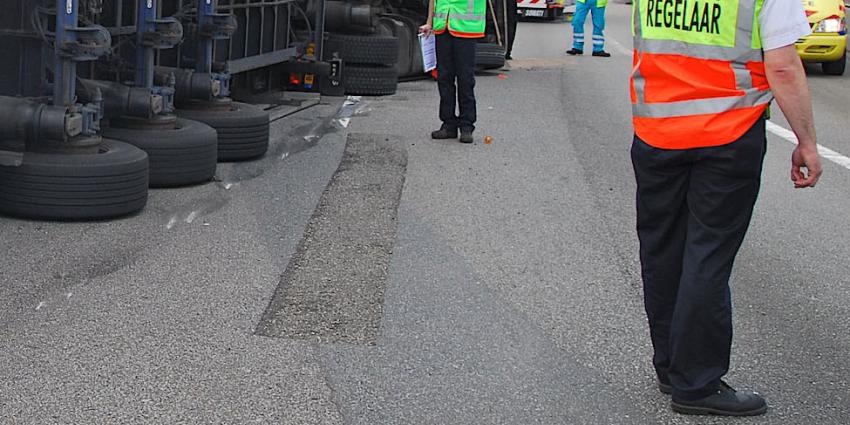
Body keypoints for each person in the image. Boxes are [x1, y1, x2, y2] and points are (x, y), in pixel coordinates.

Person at [630, 0, 822, 417]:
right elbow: (784, 67)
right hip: (726, 134)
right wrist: (806, 140)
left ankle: (670, 365)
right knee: (707, 255)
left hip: (656, 130)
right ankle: (696, 383)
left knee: (663, 252)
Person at [419, 0, 486, 143]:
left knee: (465, 79)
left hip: (466, 29)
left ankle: (466, 126)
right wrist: (429, 22)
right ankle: (448, 124)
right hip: (443, 28)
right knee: (444, 78)